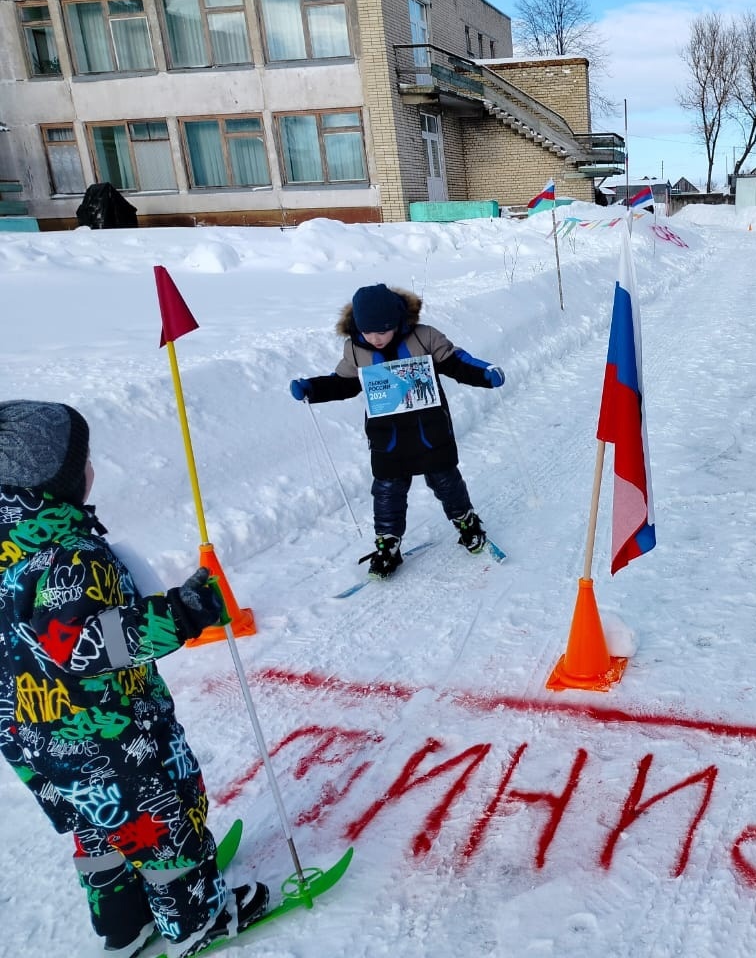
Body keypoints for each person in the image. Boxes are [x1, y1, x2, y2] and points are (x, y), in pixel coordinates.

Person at [0, 400, 269, 958]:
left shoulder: (11, 553)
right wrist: (186, 612)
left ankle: (122, 924)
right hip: (112, 733)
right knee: (161, 821)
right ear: (56, 480)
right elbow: (84, 644)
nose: (92, 466)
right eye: (84, 460)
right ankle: (198, 920)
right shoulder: (68, 555)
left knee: (95, 823)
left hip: (35, 736)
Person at [289, 283, 505, 576]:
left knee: (445, 480)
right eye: (368, 332)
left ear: (398, 322)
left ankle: (465, 521)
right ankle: (388, 541)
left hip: (429, 429)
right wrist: (312, 389)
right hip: (387, 436)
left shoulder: (424, 337)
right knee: (388, 490)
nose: (375, 339)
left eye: (383, 330)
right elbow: (343, 382)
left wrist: (484, 373)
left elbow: (455, 361)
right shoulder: (355, 349)